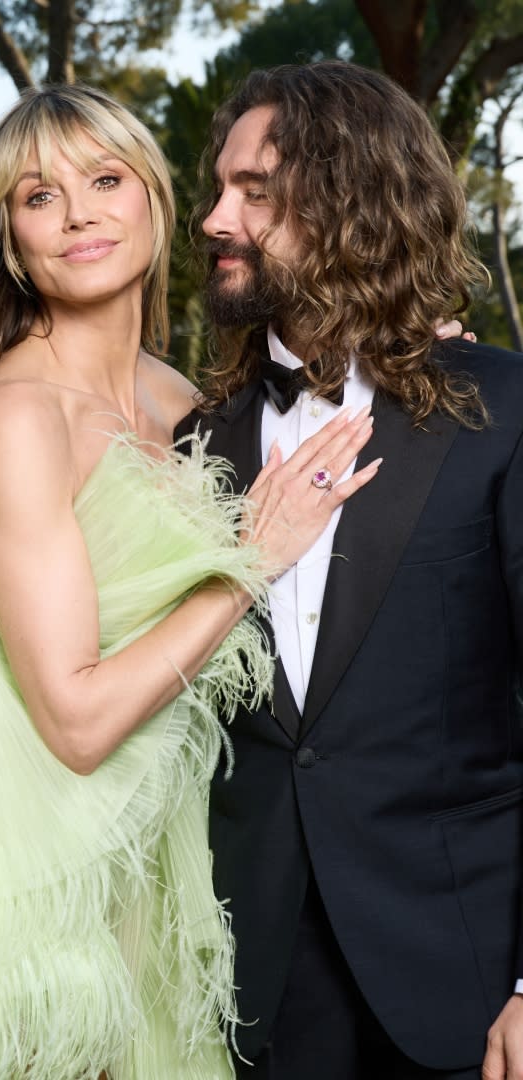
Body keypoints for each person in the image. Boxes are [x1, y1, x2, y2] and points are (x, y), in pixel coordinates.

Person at [0, 84, 382, 1080]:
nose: (77, 215)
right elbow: (70, 723)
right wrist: (247, 563)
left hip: (147, 832)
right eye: (37, 196)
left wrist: (417, 347)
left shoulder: (185, 399)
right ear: (11, 239)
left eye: (105, 179)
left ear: (156, 200)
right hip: (4, 845)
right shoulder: (18, 412)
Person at [175, 60, 523, 1080]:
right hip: (257, 989)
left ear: (349, 205)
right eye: (216, 188)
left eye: (254, 194)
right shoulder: (191, 446)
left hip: (464, 979)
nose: (211, 218)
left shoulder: (502, 412)